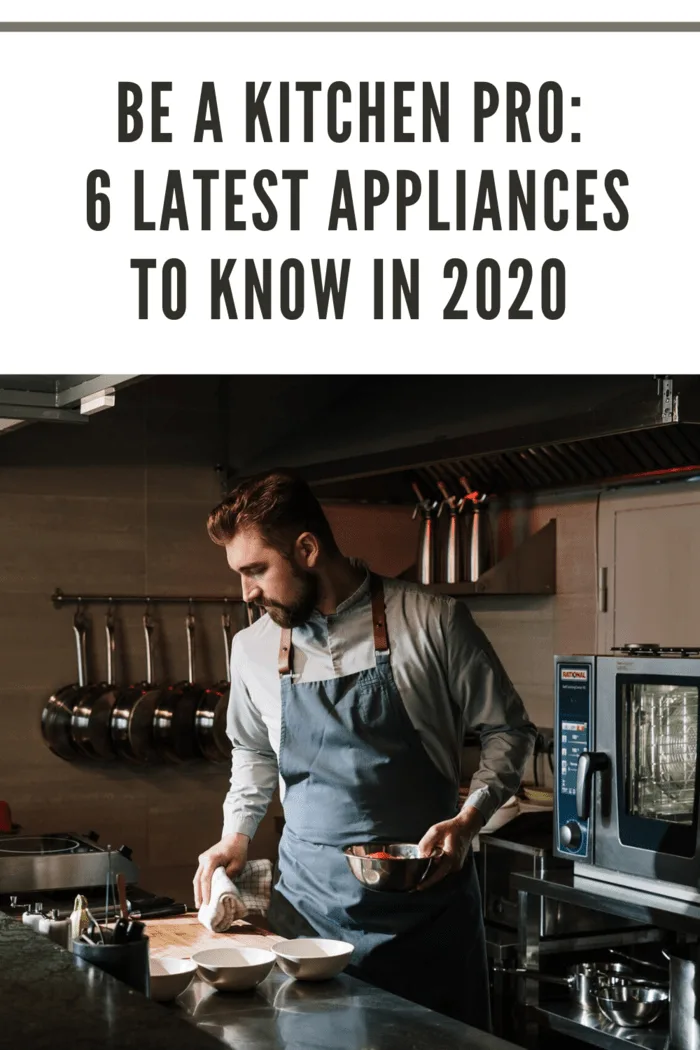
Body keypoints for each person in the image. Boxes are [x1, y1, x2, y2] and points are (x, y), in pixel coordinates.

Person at [194, 470, 536, 1029]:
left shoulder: (433, 621)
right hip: (307, 917)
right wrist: (237, 833)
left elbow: (508, 730)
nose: (246, 593)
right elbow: (254, 751)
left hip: (425, 917)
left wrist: (470, 819)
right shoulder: (251, 648)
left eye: (256, 570)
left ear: (306, 549)